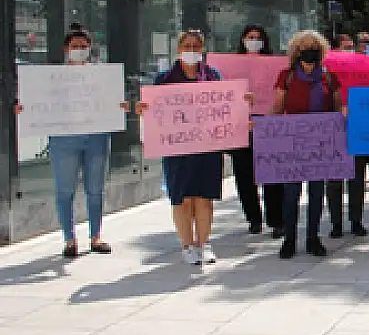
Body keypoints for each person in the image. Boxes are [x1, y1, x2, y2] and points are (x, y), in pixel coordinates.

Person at [13, 23, 127, 258]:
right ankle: (69, 239)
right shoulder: (52, 78)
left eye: (83, 46)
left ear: (90, 49)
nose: (79, 50)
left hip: (96, 138)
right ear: (66, 49)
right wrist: (25, 110)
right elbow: (37, 104)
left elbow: (112, 103)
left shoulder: (102, 77)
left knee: (95, 189)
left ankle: (96, 236)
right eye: (75, 46)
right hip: (64, 141)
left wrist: (120, 107)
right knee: (65, 191)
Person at [138, 30, 232, 265]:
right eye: (187, 46)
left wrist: (242, 104)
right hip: (177, 150)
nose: (191, 51)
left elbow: (224, 105)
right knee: (182, 199)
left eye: (195, 47)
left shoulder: (212, 75)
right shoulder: (165, 78)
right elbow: (155, 111)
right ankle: (187, 246)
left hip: (207, 149)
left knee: (204, 198)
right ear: (178, 50)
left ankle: (204, 243)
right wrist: (143, 109)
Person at [272, 30, 343, 259]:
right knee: (291, 193)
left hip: (320, 144)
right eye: (304, 46)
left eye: (314, 46)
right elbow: (277, 108)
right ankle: (290, 238)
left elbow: (338, 107)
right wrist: (266, 129)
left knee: (316, 192)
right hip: (293, 143)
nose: (309, 50)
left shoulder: (329, 77)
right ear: (296, 51)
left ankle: (313, 238)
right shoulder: (287, 76)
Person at [230, 24, 284, 238]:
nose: (253, 41)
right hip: (240, 124)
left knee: (271, 173)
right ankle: (253, 218)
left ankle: (276, 219)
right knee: (244, 174)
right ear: (243, 40)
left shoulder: (274, 65)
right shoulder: (232, 66)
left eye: (257, 37)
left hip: (267, 123)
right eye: (249, 37)